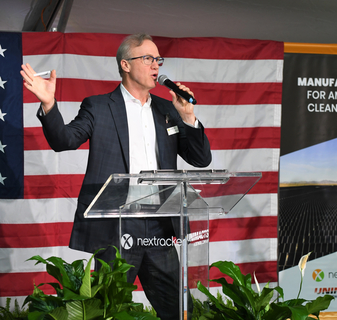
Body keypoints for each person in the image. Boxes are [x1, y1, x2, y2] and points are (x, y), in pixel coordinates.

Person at [20, 33, 212, 320]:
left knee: (179, 310)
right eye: (147, 58)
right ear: (125, 64)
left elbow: (201, 159)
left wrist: (187, 117)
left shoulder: (167, 110)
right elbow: (65, 140)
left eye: (158, 59)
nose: (155, 65)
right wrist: (49, 104)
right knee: (108, 310)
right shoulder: (98, 106)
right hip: (117, 227)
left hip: (159, 225)